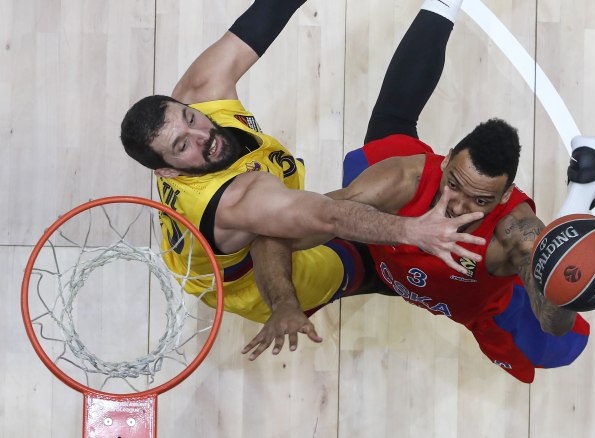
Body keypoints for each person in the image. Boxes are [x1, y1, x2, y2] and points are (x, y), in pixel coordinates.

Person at [120, 0, 486, 359]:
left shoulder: (199, 93)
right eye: (183, 146)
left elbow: (270, 10)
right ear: (167, 171)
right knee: (385, 265)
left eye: (190, 119)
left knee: (391, 133)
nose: (203, 135)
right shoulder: (237, 199)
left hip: (238, 227)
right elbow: (330, 216)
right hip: (258, 278)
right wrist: (413, 231)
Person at [288, 0, 595, 382]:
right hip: (381, 251)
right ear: (446, 160)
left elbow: (552, 323)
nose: (458, 206)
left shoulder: (517, 237)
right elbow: (302, 221)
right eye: (454, 185)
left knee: (553, 349)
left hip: (474, 301)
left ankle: (586, 186)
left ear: (505, 197)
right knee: (390, 122)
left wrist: (567, 284)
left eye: (480, 200)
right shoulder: (402, 179)